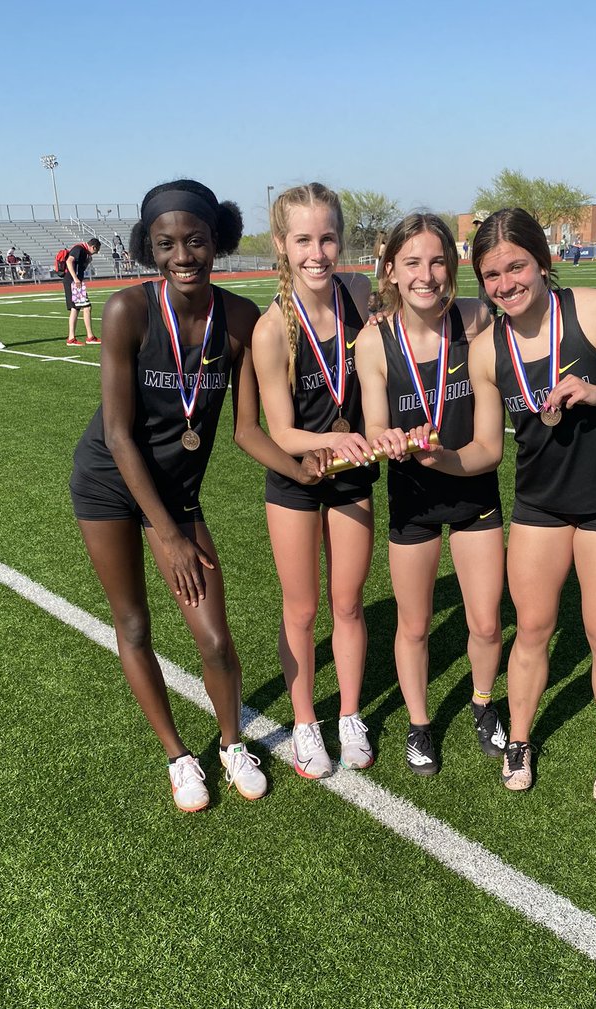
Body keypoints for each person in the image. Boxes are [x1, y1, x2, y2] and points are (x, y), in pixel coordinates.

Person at [70, 179, 329, 813]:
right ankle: (177, 756)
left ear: (218, 242)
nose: (182, 255)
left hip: (177, 493)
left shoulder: (239, 319)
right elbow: (118, 435)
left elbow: (246, 430)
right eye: (166, 244)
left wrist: (299, 470)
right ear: (149, 248)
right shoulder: (127, 311)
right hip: (109, 483)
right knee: (134, 624)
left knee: (213, 638)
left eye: (196, 241)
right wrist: (169, 536)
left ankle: (231, 743)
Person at [463, 208, 596, 801]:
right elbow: (486, 449)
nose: (505, 284)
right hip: (539, 506)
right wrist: (438, 458)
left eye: (516, 267)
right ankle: (519, 741)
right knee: (531, 628)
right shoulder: (485, 350)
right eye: (492, 275)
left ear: (543, 262)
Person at [356, 214, 505, 776]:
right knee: (414, 625)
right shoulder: (374, 339)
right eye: (412, 262)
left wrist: (441, 456)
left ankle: (483, 703)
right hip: (413, 498)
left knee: (485, 622)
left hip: (474, 489)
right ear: (391, 270)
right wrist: (387, 439)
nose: (426, 274)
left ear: (453, 266)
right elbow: (374, 425)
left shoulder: (476, 319)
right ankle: (419, 724)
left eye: (437, 261)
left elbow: (492, 442)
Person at [252, 182, 377, 780]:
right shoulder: (271, 328)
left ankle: (350, 714)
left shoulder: (358, 294)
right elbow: (279, 432)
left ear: (340, 240)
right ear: (282, 244)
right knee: (301, 610)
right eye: (303, 239)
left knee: (348, 604)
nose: (317, 252)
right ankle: (305, 722)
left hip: (353, 474)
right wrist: (331, 441)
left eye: (327, 238)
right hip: (298, 482)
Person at [64, 237, 102, 345]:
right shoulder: (79, 249)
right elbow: (69, 261)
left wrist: (87, 262)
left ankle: (77, 337)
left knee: (78, 308)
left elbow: (79, 267)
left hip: (75, 281)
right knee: (83, 307)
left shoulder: (83, 252)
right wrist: (75, 278)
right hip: (73, 282)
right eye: (96, 250)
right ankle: (84, 337)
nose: (96, 253)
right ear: (93, 247)